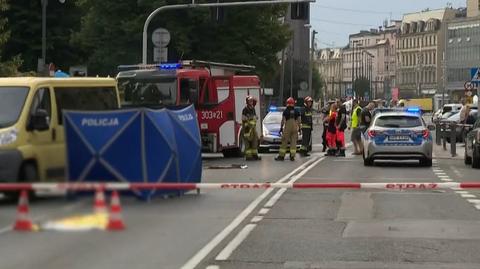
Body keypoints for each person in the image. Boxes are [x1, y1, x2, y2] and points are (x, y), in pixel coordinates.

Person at [275, 97, 301, 161]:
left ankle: (281, 156)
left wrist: (281, 128)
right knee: (293, 142)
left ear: (287, 103)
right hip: (295, 126)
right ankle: (292, 156)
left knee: (284, 140)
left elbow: (283, 120)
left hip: (288, 127)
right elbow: (299, 120)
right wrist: (300, 128)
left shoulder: (286, 111)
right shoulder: (296, 111)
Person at [242, 96, 261, 161]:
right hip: (247, 128)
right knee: (247, 142)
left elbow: (255, 117)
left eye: (252, 101)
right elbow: (243, 118)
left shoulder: (253, 108)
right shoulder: (245, 109)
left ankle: (255, 155)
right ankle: (248, 156)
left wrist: (256, 117)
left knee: (254, 141)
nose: (251, 102)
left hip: (253, 128)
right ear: (247, 102)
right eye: (250, 101)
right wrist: (251, 117)